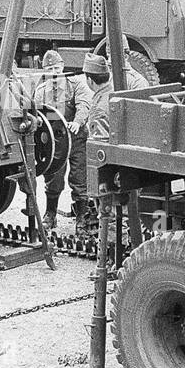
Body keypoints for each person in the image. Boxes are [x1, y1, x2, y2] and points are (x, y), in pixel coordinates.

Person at [33, 50, 91, 230]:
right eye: (49, 68)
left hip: (77, 140)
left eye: (56, 67)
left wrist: (77, 122)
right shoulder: (41, 91)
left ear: (63, 66)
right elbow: (37, 113)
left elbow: (84, 105)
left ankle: (82, 217)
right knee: (53, 179)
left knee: (80, 178)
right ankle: (50, 215)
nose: (54, 72)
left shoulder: (76, 84)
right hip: (55, 145)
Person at [74, 52, 114, 235]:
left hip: (107, 175)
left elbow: (100, 150)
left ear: (90, 80)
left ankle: (111, 251)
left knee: (109, 215)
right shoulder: (113, 94)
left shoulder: (98, 107)